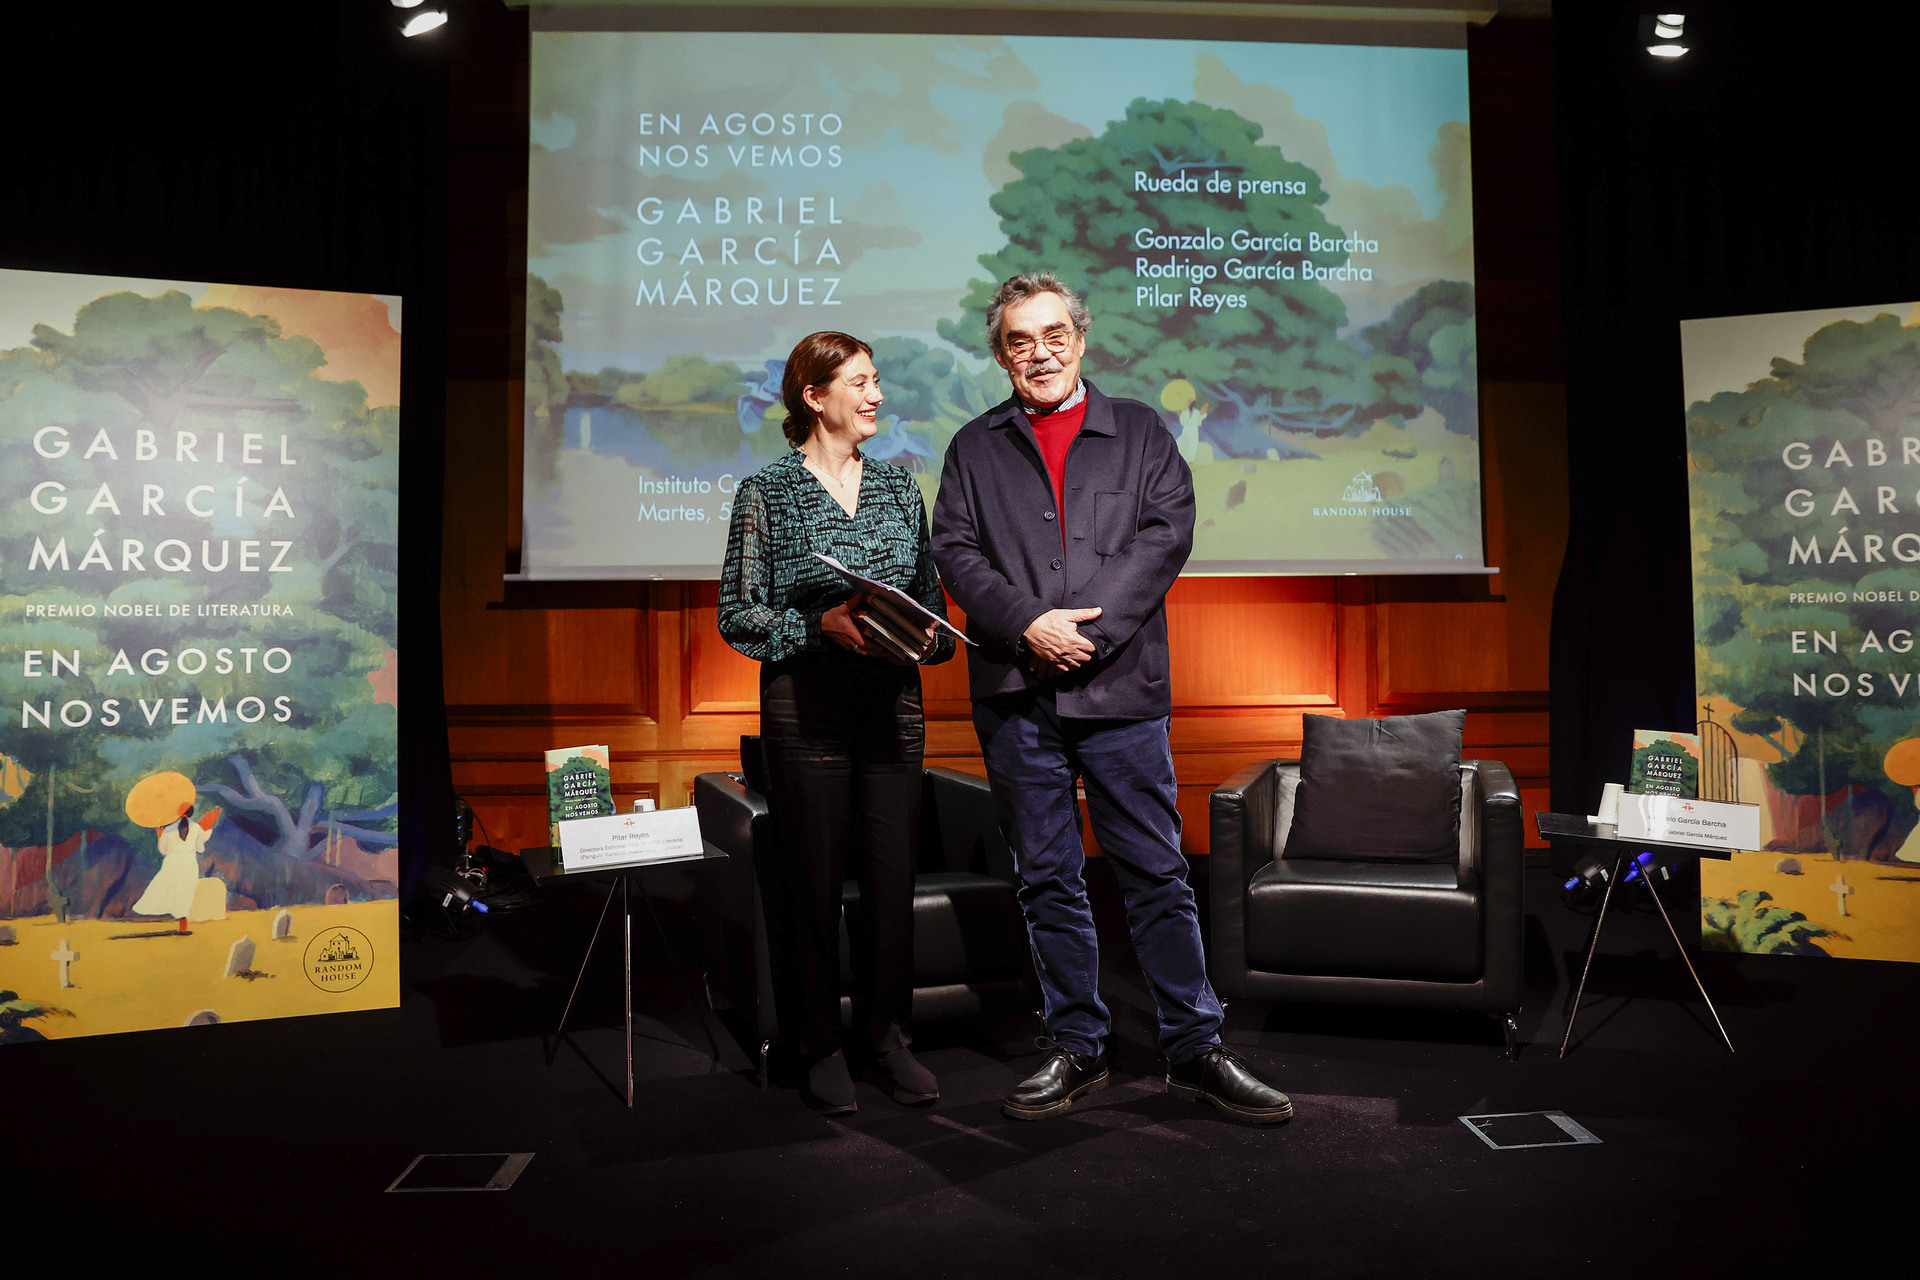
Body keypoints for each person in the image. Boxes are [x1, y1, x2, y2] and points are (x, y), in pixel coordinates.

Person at [930, 273, 1292, 1124]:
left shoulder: (1138, 431)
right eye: (1020, 341)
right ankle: (1077, 1046)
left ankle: (1195, 1047)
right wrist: (1029, 624)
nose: (1040, 352)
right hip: (1018, 694)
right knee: (1047, 878)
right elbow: (955, 549)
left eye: (1054, 334)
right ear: (1001, 354)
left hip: (1122, 688)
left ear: (1081, 340)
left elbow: (1167, 533)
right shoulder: (973, 447)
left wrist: (1088, 633)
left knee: (1157, 872)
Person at [718, 330, 955, 1115]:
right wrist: (816, 629)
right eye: (860, 382)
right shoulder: (766, 493)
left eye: (878, 380)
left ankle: (888, 1039)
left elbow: (930, 599)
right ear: (814, 396)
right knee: (812, 888)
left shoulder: (897, 490)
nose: (877, 395)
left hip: (892, 710)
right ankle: (818, 1043)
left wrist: (926, 635)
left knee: (893, 886)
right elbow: (737, 614)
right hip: (806, 713)